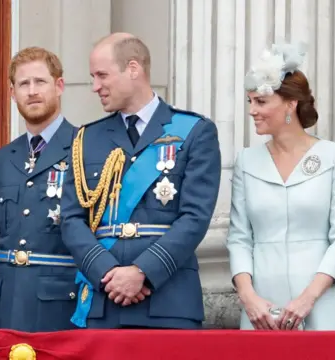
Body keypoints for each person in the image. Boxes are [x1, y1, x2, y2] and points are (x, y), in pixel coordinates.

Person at [60, 33, 221, 329]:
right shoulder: (86, 139)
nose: (95, 86)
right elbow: (71, 219)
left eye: (102, 75)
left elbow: (195, 217)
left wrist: (142, 271)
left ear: (133, 69)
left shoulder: (195, 131)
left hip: (169, 300)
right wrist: (107, 272)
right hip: (103, 298)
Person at [226, 42, 335, 331]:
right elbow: (239, 238)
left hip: (320, 303)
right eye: (250, 102)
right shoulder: (246, 161)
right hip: (261, 310)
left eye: (261, 102)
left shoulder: (334, 156)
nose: (252, 110)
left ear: (291, 104)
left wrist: (309, 298)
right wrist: (248, 297)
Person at [0, 46, 79, 332]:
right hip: (7, 302)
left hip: (60, 305)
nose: (32, 91)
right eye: (23, 84)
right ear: (12, 93)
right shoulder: (1, 160)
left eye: (40, 81)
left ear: (59, 86)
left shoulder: (84, 148)